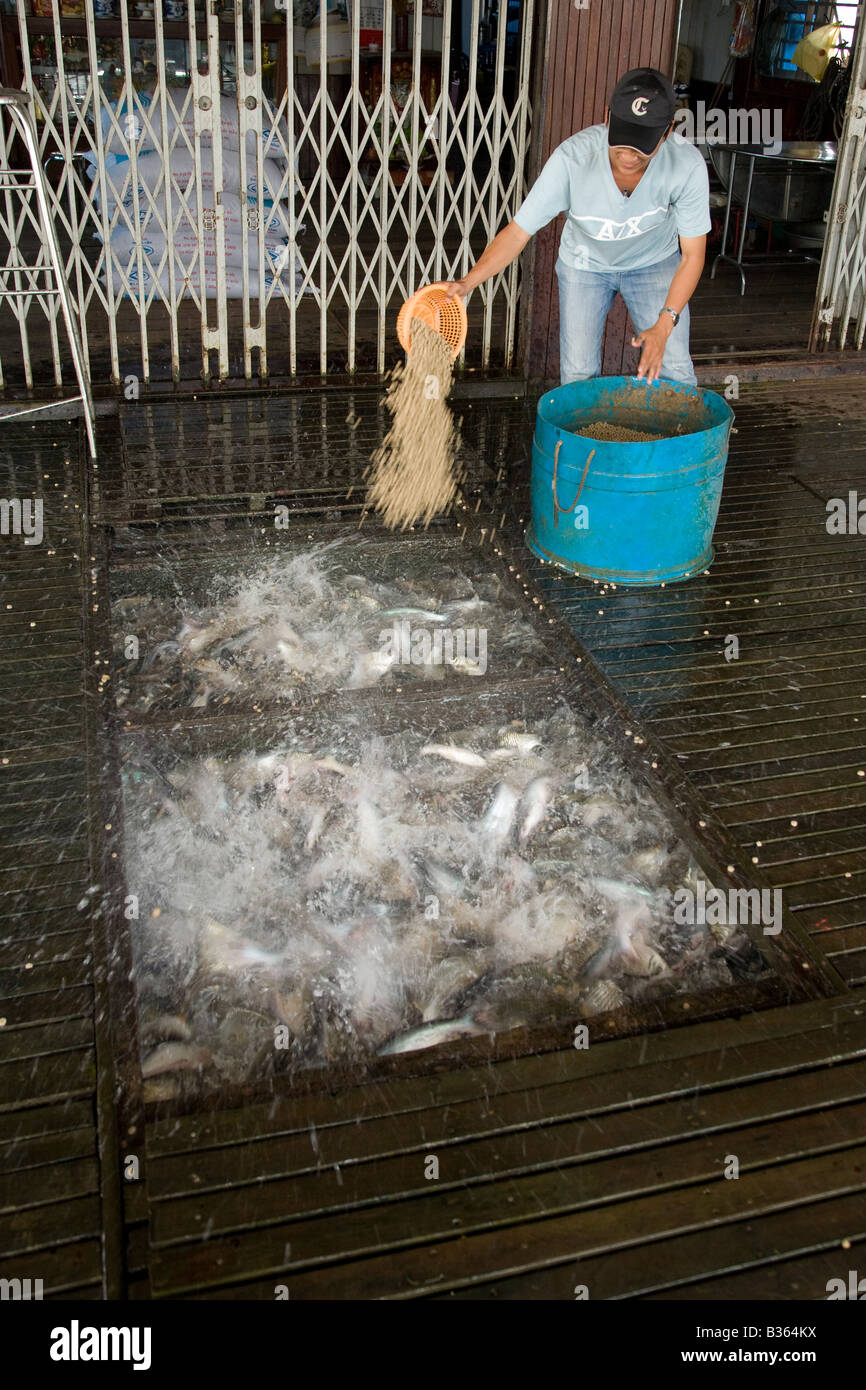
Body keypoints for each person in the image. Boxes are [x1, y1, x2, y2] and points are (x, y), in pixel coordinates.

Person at [441, 68, 710, 386]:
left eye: (641, 146)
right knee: (578, 373)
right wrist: (467, 283)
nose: (627, 155)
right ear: (607, 117)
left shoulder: (687, 166)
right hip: (585, 264)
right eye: (622, 140)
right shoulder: (572, 159)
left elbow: (693, 255)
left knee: (674, 369)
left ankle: (679, 437)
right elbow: (518, 232)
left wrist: (666, 322)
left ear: (667, 132)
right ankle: (585, 436)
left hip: (654, 263)